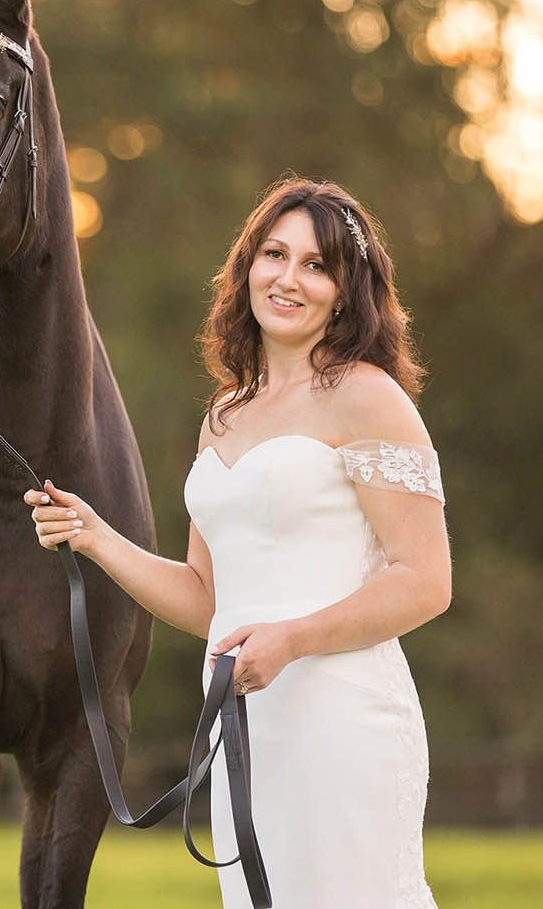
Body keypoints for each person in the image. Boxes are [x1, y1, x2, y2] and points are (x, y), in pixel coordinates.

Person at [24, 175, 450, 908]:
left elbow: (425, 581)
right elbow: (206, 600)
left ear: (348, 292)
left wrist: (291, 640)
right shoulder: (224, 414)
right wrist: (96, 538)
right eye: (275, 255)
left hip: (343, 723)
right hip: (246, 730)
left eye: (317, 265)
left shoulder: (368, 396)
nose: (289, 279)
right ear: (246, 266)